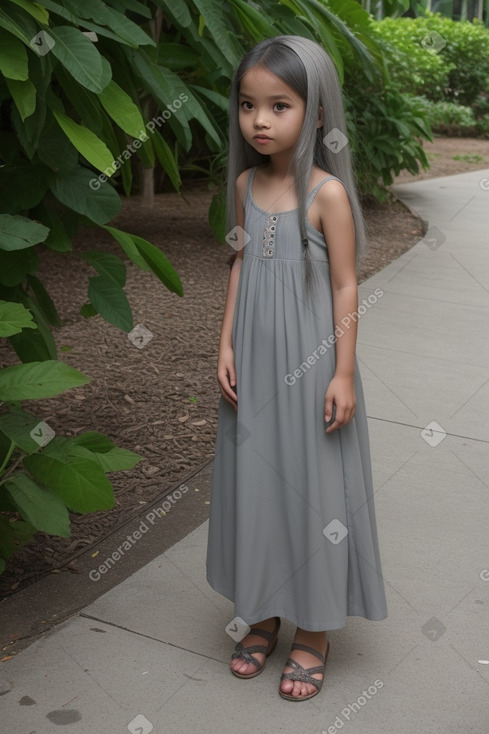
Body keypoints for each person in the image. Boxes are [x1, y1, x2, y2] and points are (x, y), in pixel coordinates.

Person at [206, 35, 387, 702]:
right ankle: (261, 610)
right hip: (251, 362)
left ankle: (312, 631)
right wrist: (224, 342)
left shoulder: (326, 193)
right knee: (255, 484)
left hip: (310, 363)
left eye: (278, 105)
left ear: (314, 113)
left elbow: (344, 286)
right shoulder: (245, 185)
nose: (258, 120)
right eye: (248, 105)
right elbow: (239, 264)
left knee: (313, 490)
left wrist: (341, 372)